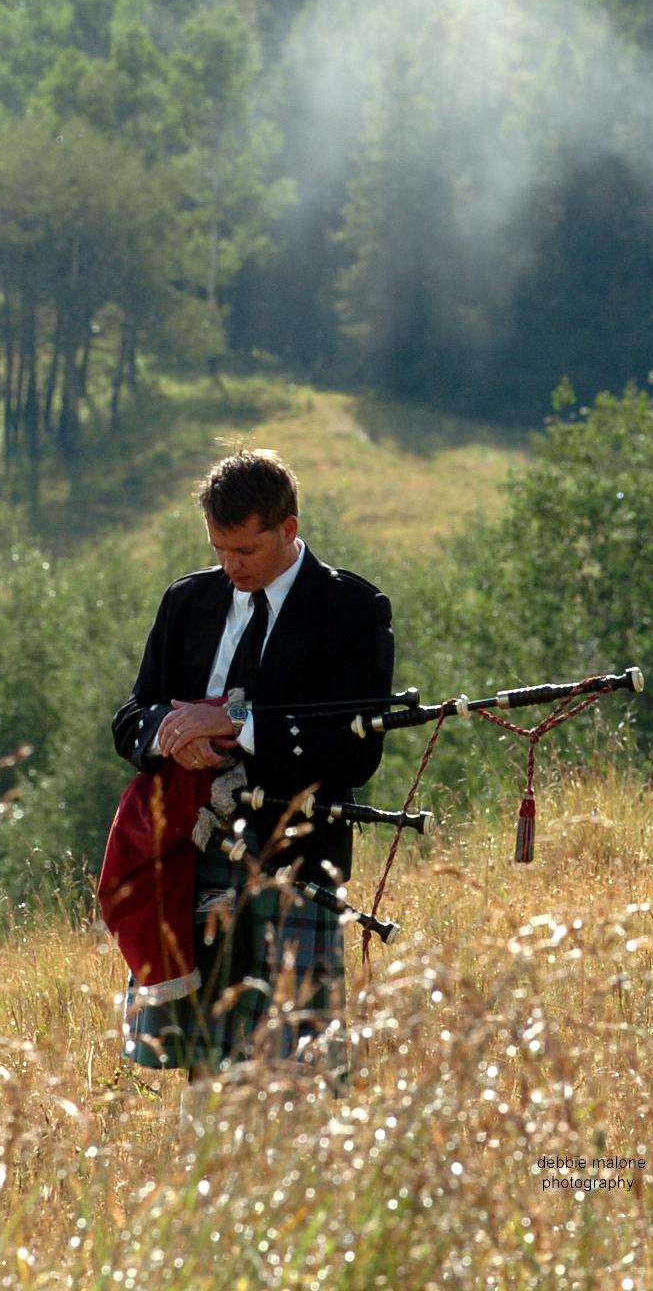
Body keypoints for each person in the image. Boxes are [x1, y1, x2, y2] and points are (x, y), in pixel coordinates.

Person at [109, 448, 394, 1075]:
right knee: (208, 1073)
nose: (230, 566)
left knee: (300, 1077)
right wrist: (172, 733)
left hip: (293, 863)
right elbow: (130, 720)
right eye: (219, 549)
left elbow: (355, 751)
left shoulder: (350, 610)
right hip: (190, 864)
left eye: (245, 551)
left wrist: (236, 724)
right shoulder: (187, 603)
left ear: (288, 529)